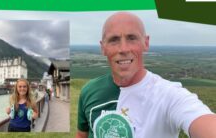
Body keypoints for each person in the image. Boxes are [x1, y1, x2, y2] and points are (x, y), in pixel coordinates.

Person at [76, 12, 216, 138]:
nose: (123, 48)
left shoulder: (168, 95)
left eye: (132, 38)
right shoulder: (89, 91)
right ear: (103, 47)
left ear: (146, 42)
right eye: (114, 40)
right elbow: (82, 134)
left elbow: (202, 121)